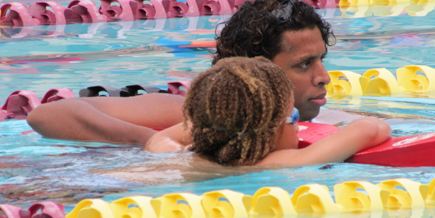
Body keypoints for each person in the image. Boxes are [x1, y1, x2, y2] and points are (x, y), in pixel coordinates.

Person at [27, 0, 340, 145]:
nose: (324, 77)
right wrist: (150, 142)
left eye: (321, 60)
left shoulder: (336, 120)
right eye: (303, 65)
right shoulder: (189, 114)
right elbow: (47, 114)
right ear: (255, 73)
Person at [146, 57, 391, 166]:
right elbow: (372, 128)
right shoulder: (273, 163)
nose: (298, 125)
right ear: (267, 130)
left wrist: (172, 151)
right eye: (293, 116)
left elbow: (160, 138)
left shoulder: (190, 154)